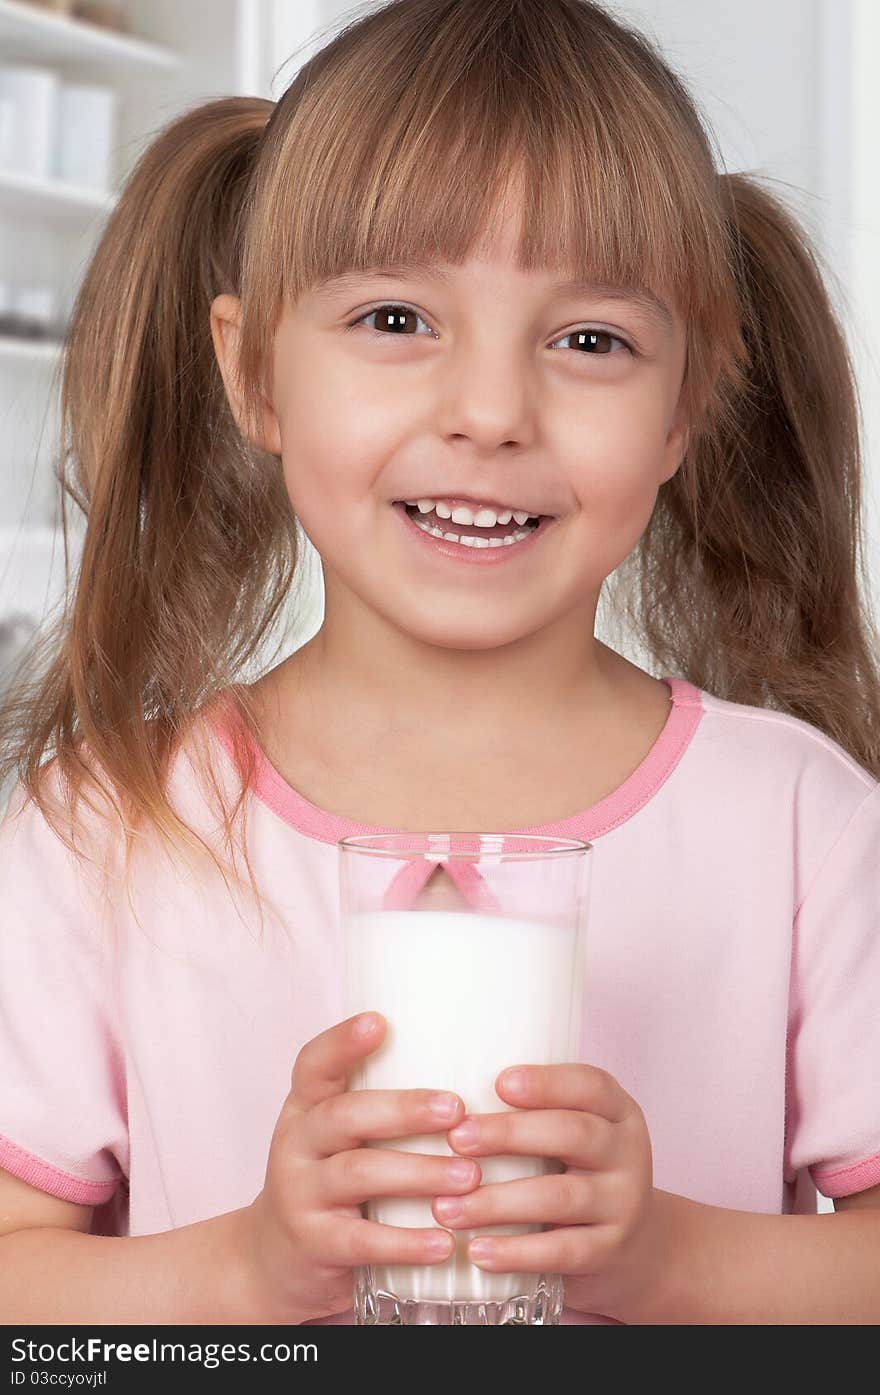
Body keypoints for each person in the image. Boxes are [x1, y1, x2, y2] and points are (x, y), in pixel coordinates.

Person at [1, 0, 879, 1327]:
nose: (489, 412)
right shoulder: (102, 831)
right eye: (397, 318)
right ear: (252, 375)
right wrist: (245, 1269)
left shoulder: (804, 825)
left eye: (591, 341)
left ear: (684, 410)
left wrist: (666, 1261)